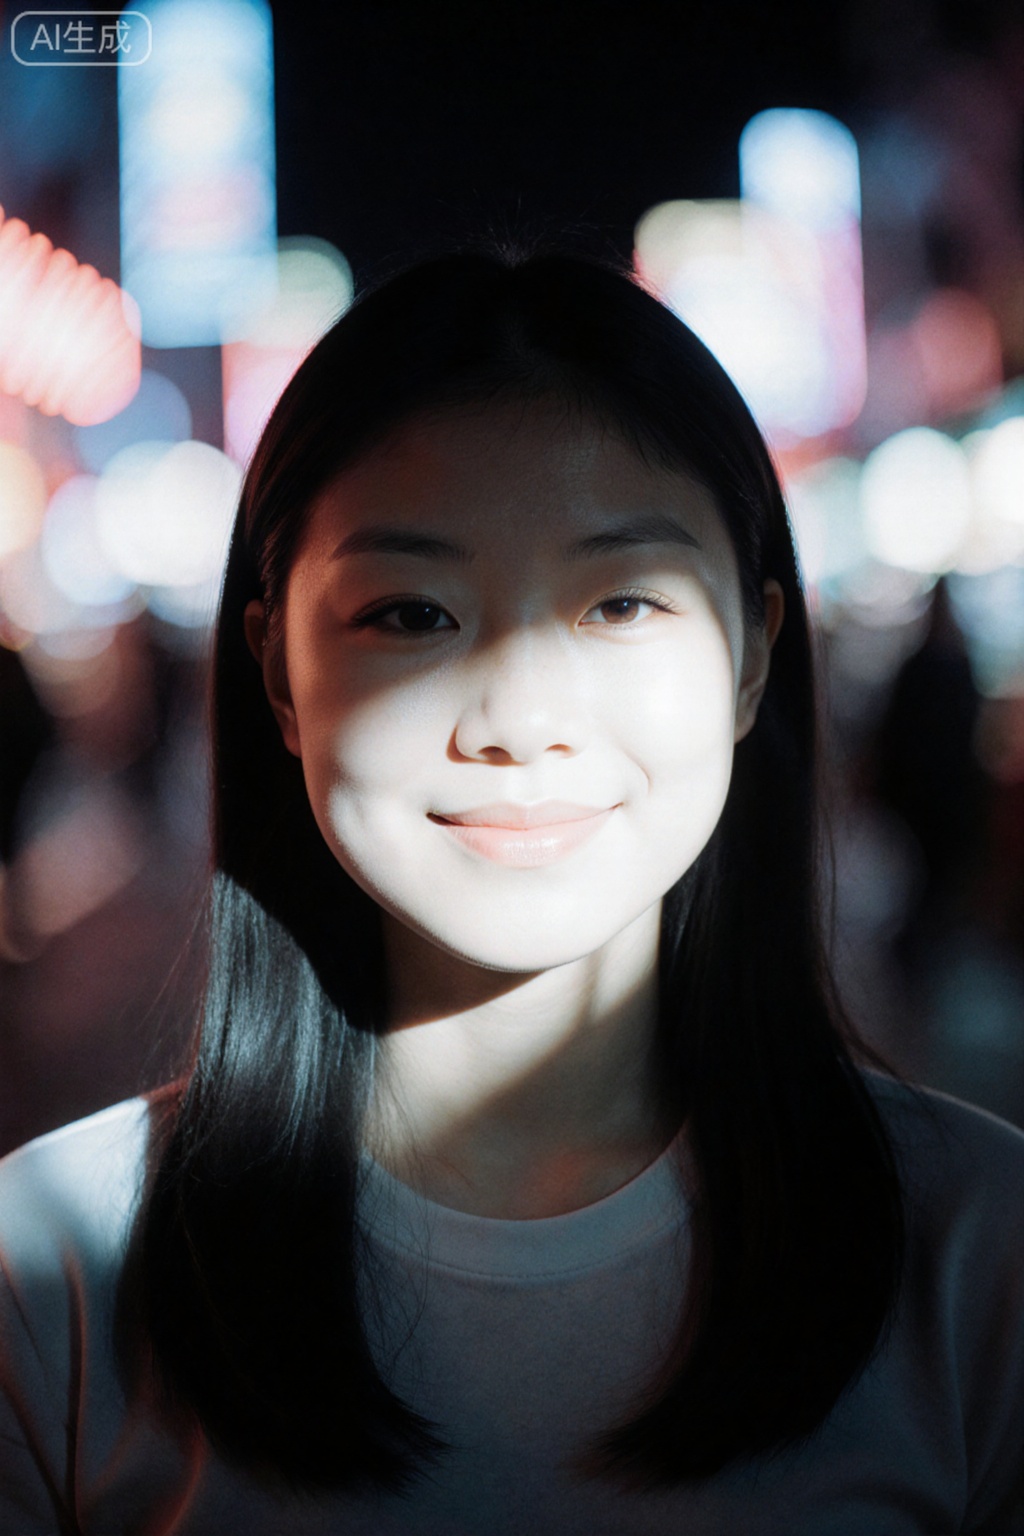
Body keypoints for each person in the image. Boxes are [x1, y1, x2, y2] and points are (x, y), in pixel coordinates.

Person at [0, 250, 1021, 1535]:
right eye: (413, 614)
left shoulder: (980, 1254)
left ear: (756, 651)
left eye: (623, 602)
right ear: (275, 673)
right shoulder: (49, 1273)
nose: (520, 719)